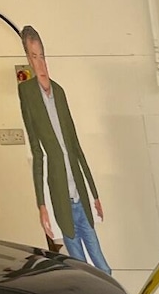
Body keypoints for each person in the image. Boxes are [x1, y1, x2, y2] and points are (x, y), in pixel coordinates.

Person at [17, 25, 111, 274]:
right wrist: (42, 205)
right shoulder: (26, 92)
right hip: (60, 197)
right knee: (80, 266)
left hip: (79, 193)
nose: (40, 64)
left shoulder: (59, 91)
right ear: (28, 58)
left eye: (42, 56)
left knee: (102, 265)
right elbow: (37, 153)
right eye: (34, 57)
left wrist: (94, 193)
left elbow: (77, 147)